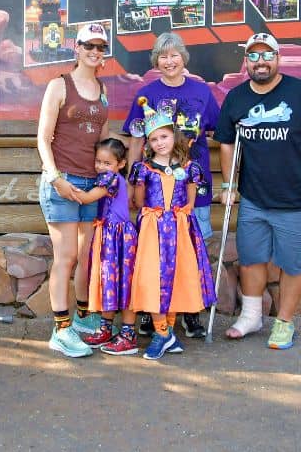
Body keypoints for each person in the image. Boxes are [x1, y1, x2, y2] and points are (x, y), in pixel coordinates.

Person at [215, 32, 301, 350]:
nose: (261, 61)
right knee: (251, 259)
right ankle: (252, 317)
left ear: (278, 57)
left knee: (293, 263)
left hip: (298, 199)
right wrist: (230, 184)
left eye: (266, 55)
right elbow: (228, 143)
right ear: (246, 61)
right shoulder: (237, 97)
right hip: (255, 198)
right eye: (254, 56)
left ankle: (284, 323)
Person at [122, 32, 220, 339]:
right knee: (154, 255)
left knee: (190, 251)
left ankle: (190, 313)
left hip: (190, 186)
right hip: (154, 192)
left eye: (174, 55)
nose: (169, 61)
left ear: (184, 58)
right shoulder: (147, 93)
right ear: (155, 61)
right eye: (162, 56)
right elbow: (137, 139)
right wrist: (131, 179)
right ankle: (153, 312)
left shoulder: (202, 92)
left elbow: (218, 131)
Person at [105, 98, 216, 360]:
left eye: (164, 136)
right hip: (153, 229)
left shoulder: (189, 167)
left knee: (176, 276)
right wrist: (154, 216)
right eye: (153, 140)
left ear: (173, 136)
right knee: (152, 276)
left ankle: (166, 334)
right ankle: (163, 332)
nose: (160, 143)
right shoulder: (144, 169)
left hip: (179, 227)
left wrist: (184, 211)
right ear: (148, 144)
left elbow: (191, 195)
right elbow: (140, 200)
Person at [37, 23, 110, 358]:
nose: (95, 52)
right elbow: (43, 137)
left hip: (91, 185)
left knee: (84, 257)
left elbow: (103, 143)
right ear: (76, 48)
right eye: (89, 46)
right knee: (64, 257)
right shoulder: (59, 85)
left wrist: (108, 177)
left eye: (100, 47)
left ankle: (81, 317)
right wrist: (55, 179)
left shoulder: (102, 90)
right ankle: (61, 329)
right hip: (62, 182)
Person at [63, 138, 137, 348]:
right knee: (109, 282)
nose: (101, 167)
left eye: (107, 163)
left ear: (120, 164)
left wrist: (62, 185)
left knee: (124, 283)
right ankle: (106, 328)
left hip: (119, 237)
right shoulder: (108, 177)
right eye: (98, 162)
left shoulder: (111, 179)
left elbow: (87, 198)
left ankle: (128, 333)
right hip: (108, 235)